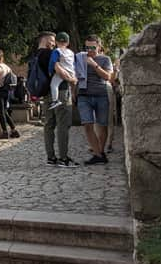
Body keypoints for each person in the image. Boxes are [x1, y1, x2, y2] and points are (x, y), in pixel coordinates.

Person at [35, 32, 77, 167]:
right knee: (63, 124)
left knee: (49, 124)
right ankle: (64, 158)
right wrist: (71, 79)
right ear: (46, 40)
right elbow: (57, 68)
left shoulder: (36, 55)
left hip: (47, 93)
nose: (54, 43)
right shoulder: (51, 53)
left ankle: (50, 157)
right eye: (52, 41)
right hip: (62, 92)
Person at [78, 35, 114, 165]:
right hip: (84, 95)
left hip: (101, 95)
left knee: (102, 125)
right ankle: (99, 154)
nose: (89, 50)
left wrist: (94, 65)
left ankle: (100, 153)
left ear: (99, 46)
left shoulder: (105, 59)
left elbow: (108, 77)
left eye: (92, 47)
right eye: (87, 47)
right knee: (87, 124)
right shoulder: (80, 58)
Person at [0, 50, 20, 139]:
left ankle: (4, 132)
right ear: (2, 57)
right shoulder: (7, 67)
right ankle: (14, 130)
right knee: (4, 111)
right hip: (6, 90)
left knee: (1, 112)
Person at [48, 32, 76, 110]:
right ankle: (74, 95)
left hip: (62, 72)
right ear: (68, 43)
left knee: (54, 85)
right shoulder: (71, 52)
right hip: (71, 72)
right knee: (71, 86)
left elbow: (53, 62)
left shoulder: (57, 51)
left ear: (56, 42)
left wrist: (50, 71)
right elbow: (73, 64)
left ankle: (55, 100)